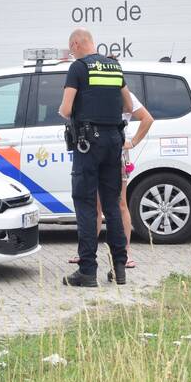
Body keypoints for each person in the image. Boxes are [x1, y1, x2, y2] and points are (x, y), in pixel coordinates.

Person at [59, 28, 133, 287]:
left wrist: (69, 110)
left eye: (71, 49)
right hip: (114, 141)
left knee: (86, 205)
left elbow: (66, 109)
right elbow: (129, 107)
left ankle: (88, 272)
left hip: (87, 145)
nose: (71, 53)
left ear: (77, 43)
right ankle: (120, 269)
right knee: (112, 204)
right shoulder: (114, 67)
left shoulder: (78, 68)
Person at [67, 88, 154, 269]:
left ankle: (126, 251)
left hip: (116, 153)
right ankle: (86, 252)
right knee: (97, 204)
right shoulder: (100, 93)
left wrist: (133, 142)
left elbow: (147, 118)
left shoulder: (124, 95)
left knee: (119, 203)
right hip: (103, 151)